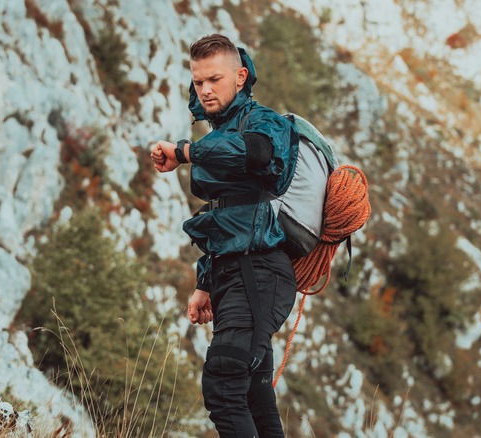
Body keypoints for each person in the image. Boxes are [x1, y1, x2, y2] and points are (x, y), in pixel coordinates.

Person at [150, 34, 299, 437]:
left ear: (240, 76)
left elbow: (257, 152)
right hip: (234, 275)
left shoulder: (264, 121)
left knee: (223, 384)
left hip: (260, 274)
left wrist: (186, 152)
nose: (205, 89)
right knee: (252, 394)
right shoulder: (219, 134)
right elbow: (226, 217)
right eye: (198, 81)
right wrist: (205, 284)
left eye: (214, 79)